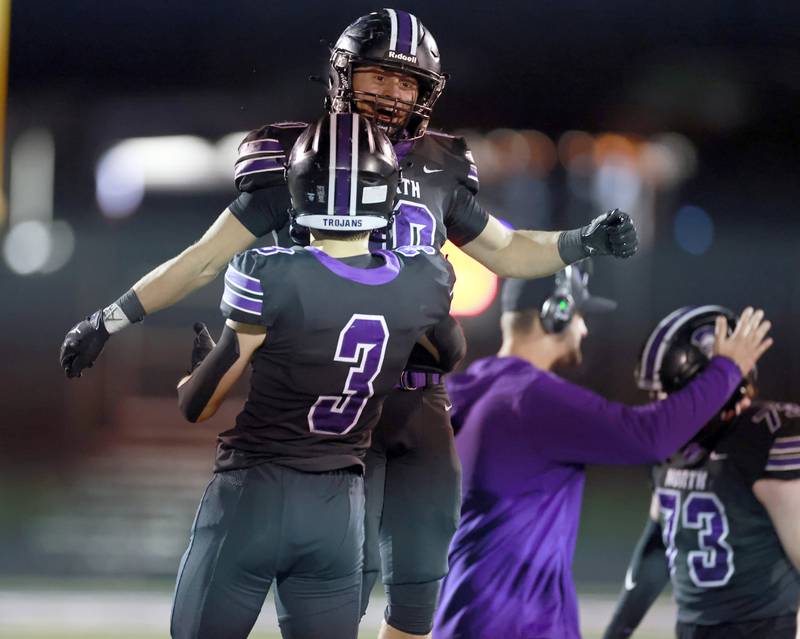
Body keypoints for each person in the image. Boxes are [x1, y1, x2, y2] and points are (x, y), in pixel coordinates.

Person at [59, 10, 638, 637]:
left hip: (413, 402)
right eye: (379, 75)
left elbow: (505, 250)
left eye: (407, 82)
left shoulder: (441, 165)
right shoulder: (297, 156)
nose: (392, 92)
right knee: (338, 594)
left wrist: (581, 242)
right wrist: (112, 317)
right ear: (344, 74)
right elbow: (202, 259)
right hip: (323, 416)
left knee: (419, 594)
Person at [169, 113, 453, 639]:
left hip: (253, 494)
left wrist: (199, 368)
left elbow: (197, 406)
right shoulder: (423, 277)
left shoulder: (270, 272)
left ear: (300, 189)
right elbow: (446, 356)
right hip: (339, 510)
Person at [432, 273, 773, 639]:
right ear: (557, 313)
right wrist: (727, 369)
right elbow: (649, 436)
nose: (584, 330)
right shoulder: (531, 398)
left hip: (458, 615)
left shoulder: (466, 388)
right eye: (580, 316)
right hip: (518, 624)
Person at [603, 306, 800, 639]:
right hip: (693, 629)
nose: (663, 406)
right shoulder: (670, 447)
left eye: (672, 394)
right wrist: (617, 631)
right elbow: (658, 550)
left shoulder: (763, 441)